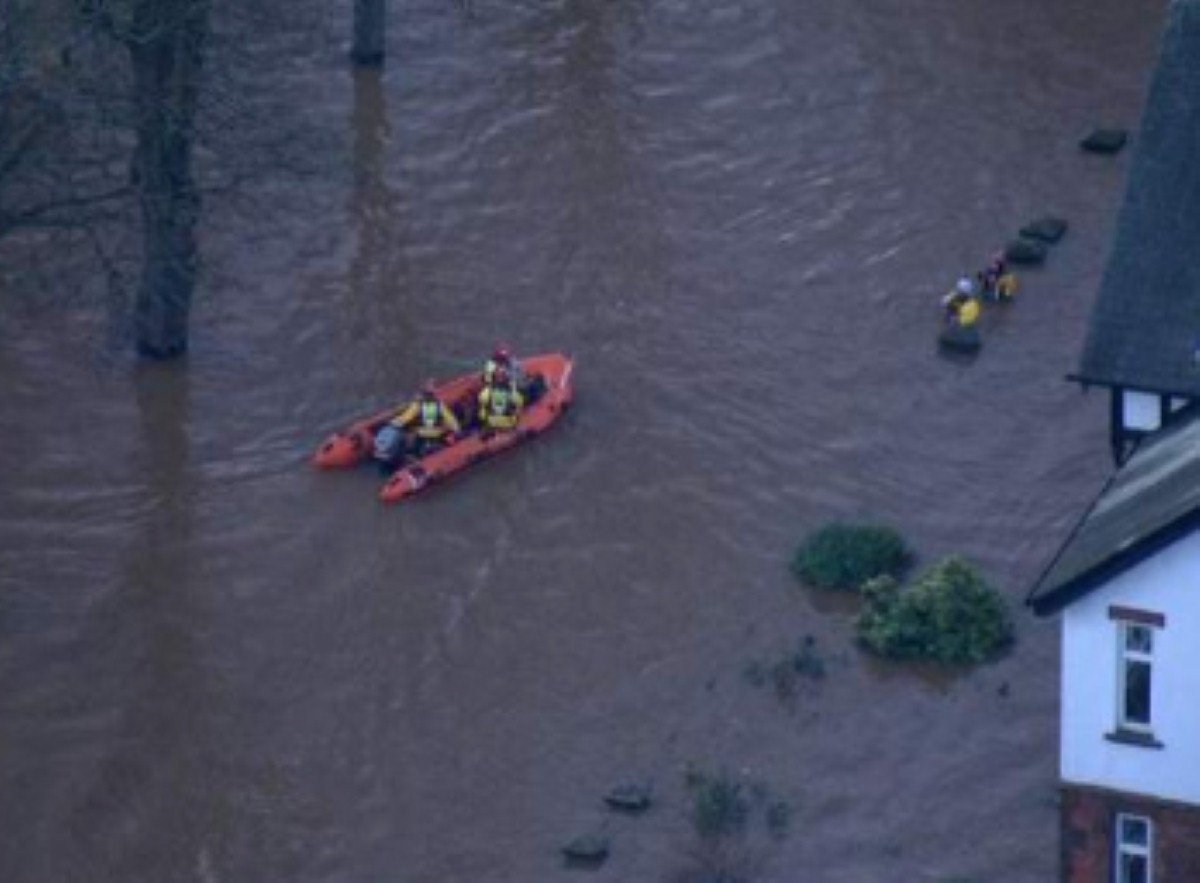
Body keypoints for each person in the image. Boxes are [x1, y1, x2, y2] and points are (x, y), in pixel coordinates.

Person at [374, 381, 460, 465]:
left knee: (410, 434)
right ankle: (423, 451)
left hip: (425, 432)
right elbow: (450, 418)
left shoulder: (418, 405)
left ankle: (415, 454)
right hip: (436, 432)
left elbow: (406, 417)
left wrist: (393, 423)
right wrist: (456, 429)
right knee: (417, 434)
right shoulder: (439, 405)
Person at [477, 364, 525, 435]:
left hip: (491, 421)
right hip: (508, 422)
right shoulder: (512, 391)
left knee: (482, 407)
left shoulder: (487, 391)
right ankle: (512, 427)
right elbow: (520, 402)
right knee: (518, 406)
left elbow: (481, 402)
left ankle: (486, 428)